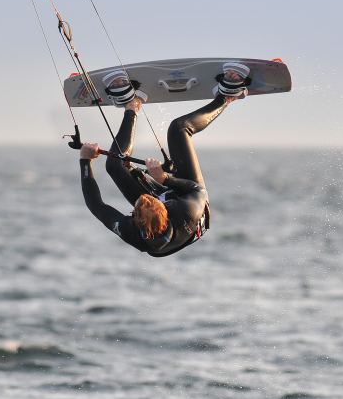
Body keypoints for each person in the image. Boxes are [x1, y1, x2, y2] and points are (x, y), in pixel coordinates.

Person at [78, 62, 250, 257]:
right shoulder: (186, 212)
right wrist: (164, 179)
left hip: (160, 215)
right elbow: (198, 190)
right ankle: (227, 97)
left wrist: (85, 160)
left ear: (135, 219)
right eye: (151, 198)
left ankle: (132, 106)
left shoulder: (130, 231)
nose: (146, 195)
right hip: (192, 198)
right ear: (165, 208)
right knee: (178, 129)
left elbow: (96, 206)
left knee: (114, 165)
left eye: (141, 202)